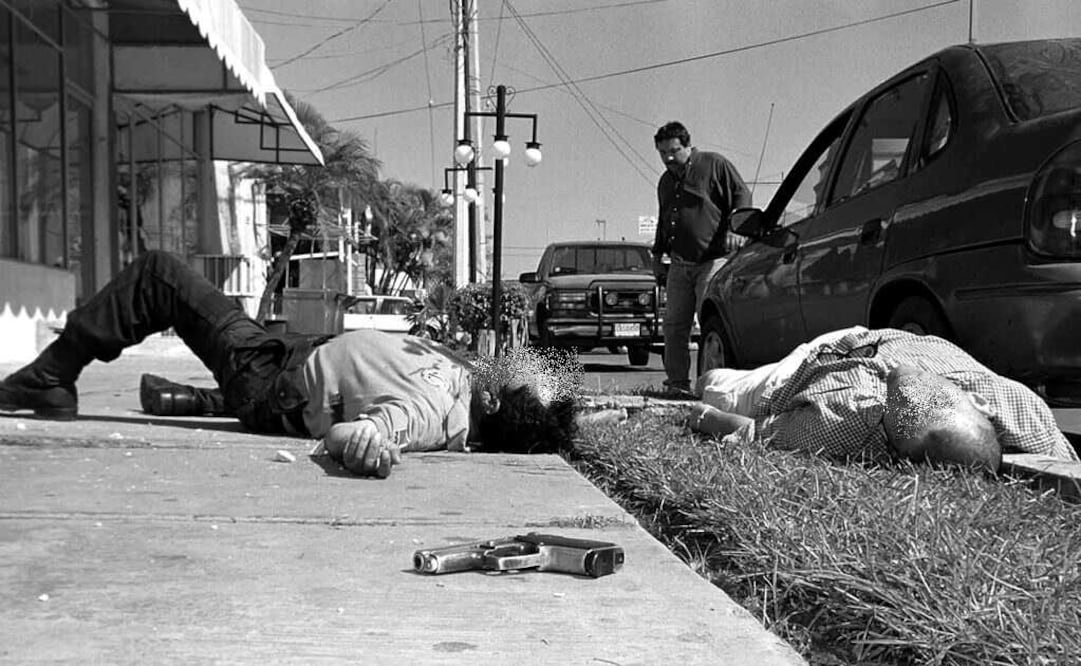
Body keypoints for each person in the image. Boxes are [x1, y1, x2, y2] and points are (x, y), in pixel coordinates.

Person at [0, 250, 582, 478]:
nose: (510, 364)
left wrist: (365, 446)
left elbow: (361, 431)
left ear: (498, 402)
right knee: (202, 317)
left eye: (518, 377)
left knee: (159, 276)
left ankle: (52, 376)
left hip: (270, 383)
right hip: (294, 358)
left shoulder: (428, 413)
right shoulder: (461, 375)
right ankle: (199, 399)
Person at [687, 326, 1080, 472]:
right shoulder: (1015, 402)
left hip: (799, 372)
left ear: (886, 432)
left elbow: (753, 432)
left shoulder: (843, 423)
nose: (893, 372)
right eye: (924, 384)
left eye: (895, 396)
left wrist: (703, 415)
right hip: (863, 334)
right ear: (978, 401)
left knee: (710, 382)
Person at [651, 121, 751, 398]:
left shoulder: (714, 164)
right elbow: (663, 220)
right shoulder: (665, 182)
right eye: (663, 153)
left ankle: (717, 387)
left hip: (713, 259)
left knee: (710, 320)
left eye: (674, 151)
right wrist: (657, 254)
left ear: (687, 145)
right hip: (679, 264)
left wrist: (735, 228)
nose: (669, 158)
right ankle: (677, 383)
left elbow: (742, 194)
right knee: (673, 325)